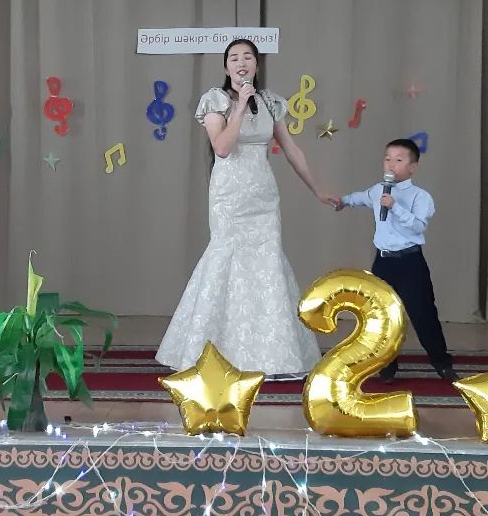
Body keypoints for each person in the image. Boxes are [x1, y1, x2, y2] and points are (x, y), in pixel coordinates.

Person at [156, 39, 334, 377]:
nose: (241, 63)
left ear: (256, 64)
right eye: (234, 58)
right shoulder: (215, 101)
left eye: (247, 57)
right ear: (226, 67)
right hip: (229, 196)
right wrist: (238, 107)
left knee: (267, 263)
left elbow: (292, 150)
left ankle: (271, 355)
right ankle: (213, 352)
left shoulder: (270, 102)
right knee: (226, 258)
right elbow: (222, 148)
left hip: (263, 196)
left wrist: (317, 190)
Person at [330, 139, 454, 380]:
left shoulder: (420, 197)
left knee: (423, 313)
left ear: (412, 167)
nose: (391, 164)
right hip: (383, 262)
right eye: (387, 159)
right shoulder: (379, 190)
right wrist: (343, 201)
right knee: (382, 314)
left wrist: (395, 207)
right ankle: (387, 364)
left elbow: (418, 226)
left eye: (398, 160)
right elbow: (361, 197)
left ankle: (441, 362)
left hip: (410, 262)